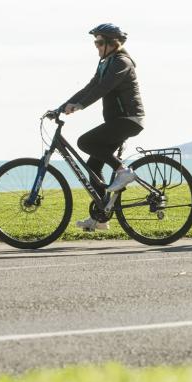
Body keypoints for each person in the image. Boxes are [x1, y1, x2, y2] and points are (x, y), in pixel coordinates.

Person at [58, 23, 145, 231]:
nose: (96, 46)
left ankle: (122, 171)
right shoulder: (107, 62)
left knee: (85, 142)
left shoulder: (122, 62)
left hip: (128, 120)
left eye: (99, 42)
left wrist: (79, 105)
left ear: (111, 43)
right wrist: (61, 106)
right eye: (95, 42)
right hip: (117, 122)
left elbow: (104, 87)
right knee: (94, 167)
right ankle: (101, 217)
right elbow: (91, 86)